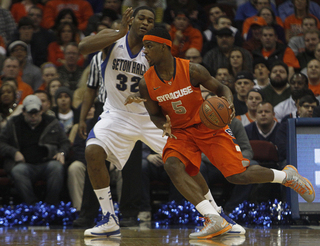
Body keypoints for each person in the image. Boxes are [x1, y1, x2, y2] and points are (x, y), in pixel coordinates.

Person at [139, 26, 315, 239]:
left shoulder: (192, 70)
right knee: (172, 165)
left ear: (164, 46)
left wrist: (229, 103)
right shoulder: (145, 83)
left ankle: (287, 176)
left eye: (148, 46)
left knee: (237, 176)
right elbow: (154, 114)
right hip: (180, 133)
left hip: (208, 126)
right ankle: (213, 217)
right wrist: (163, 125)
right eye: (143, 47)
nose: (144, 51)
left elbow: (222, 89)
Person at [0, 95, 70, 205]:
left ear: (41, 111)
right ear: (23, 112)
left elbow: (65, 142)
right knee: (18, 171)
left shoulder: (52, 122)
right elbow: (1, 142)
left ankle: (51, 205)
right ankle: (32, 205)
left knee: (56, 167)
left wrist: (62, 153)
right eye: (30, 113)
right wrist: (14, 152)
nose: (33, 116)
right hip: (24, 164)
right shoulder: (13, 123)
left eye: (36, 112)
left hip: (47, 162)